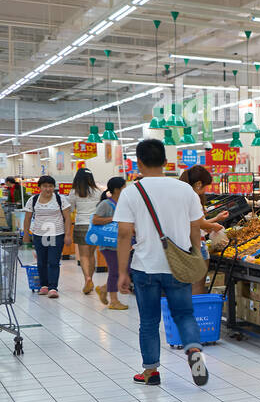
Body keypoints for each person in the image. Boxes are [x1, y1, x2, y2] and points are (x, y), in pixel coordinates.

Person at [114, 139, 209, 386]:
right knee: (184, 314)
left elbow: (124, 233)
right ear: (166, 162)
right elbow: (195, 228)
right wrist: (195, 254)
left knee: (148, 321)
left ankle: (151, 371)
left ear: (139, 163)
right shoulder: (185, 189)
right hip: (177, 265)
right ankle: (193, 350)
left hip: (145, 266)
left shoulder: (131, 192)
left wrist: (122, 272)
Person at [21, 175, 73, 297]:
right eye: (45, 186)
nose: (48, 189)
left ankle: (53, 287)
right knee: (42, 261)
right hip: (39, 234)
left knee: (53, 261)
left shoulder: (60, 199)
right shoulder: (33, 200)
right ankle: (44, 285)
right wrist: (26, 234)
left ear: (54, 187)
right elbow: (27, 218)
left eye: (50, 186)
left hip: (57, 234)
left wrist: (68, 235)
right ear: (40, 187)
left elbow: (67, 218)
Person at [179, 165, 227, 295]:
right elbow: (199, 223)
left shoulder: (180, 195)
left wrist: (215, 219)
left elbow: (195, 223)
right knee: (198, 287)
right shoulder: (193, 196)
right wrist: (214, 226)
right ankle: (197, 314)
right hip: (197, 246)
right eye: (205, 186)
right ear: (199, 184)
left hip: (182, 245)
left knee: (185, 286)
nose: (206, 190)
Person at [92, 176, 128, 310]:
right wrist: (114, 218)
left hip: (122, 243)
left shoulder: (124, 203)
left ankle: (104, 288)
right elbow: (95, 220)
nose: (126, 189)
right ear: (117, 189)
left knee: (125, 270)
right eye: (124, 187)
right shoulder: (106, 204)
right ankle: (114, 300)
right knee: (115, 272)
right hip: (108, 245)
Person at [70, 168, 100, 294]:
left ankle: (87, 278)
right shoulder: (98, 191)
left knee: (83, 255)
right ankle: (91, 279)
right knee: (91, 254)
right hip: (95, 226)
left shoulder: (74, 192)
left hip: (81, 225)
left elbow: (70, 209)